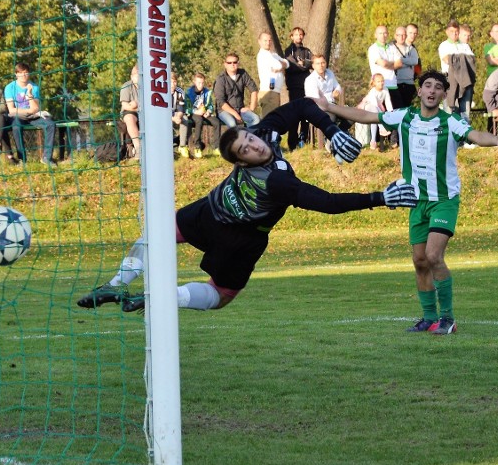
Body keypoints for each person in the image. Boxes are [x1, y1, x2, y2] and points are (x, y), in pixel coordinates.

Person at [76, 98, 417, 313]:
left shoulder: (265, 133)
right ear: (240, 163)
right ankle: (141, 291)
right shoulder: (276, 182)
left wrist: (330, 129)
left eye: (249, 139)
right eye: (245, 150)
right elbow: (327, 203)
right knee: (216, 292)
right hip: (232, 230)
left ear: (253, 132)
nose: (253, 146)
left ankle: (133, 290)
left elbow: (302, 105)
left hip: (217, 215)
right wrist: (379, 198)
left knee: (165, 240)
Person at [321, 71, 498, 335]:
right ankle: (428, 317)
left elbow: (475, 135)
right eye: (428, 86)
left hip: (443, 200)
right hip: (415, 200)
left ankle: (447, 318)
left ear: (444, 95)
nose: (432, 91)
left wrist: (496, 140)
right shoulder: (405, 117)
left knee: (434, 256)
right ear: (420, 92)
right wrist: (330, 107)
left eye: (438, 88)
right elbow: (367, 116)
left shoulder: (451, 121)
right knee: (420, 260)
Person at [5, 62, 56, 166]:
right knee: (16, 126)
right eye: (21, 73)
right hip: (18, 117)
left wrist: (29, 94)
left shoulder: (34, 87)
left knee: (50, 124)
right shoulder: (9, 87)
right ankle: (22, 160)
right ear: (16, 74)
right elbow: (12, 110)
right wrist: (29, 111)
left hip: (33, 117)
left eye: (26, 73)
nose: (24, 75)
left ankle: (47, 158)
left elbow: (36, 108)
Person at [438, 19, 476, 118]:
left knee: (465, 111)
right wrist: (462, 58)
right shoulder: (444, 45)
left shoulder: (465, 45)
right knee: (449, 110)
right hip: (450, 80)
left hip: (465, 79)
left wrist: (455, 58)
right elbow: (447, 60)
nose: (454, 34)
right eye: (451, 31)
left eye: (456, 31)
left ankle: (464, 132)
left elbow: (471, 60)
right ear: (447, 32)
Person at [284, 27, 314, 149]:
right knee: (294, 114)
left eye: (301, 34)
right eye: (296, 35)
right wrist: (303, 66)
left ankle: (304, 140)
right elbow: (291, 66)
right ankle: (292, 142)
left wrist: (305, 65)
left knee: (305, 115)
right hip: (294, 87)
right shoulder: (288, 50)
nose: (299, 37)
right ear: (291, 36)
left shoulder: (307, 51)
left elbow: (312, 62)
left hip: (306, 87)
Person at [214, 52, 260, 128]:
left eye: (235, 62)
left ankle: (249, 138)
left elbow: (254, 90)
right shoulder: (220, 79)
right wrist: (235, 114)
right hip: (224, 111)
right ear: (225, 64)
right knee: (232, 124)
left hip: (240, 109)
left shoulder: (243, 74)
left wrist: (251, 107)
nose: (232, 64)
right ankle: (232, 140)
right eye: (229, 63)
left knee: (255, 119)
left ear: (238, 63)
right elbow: (221, 102)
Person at [367, 25, 403, 113]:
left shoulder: (392, 47)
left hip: (393, 85)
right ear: (375, 35)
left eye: (385, 33)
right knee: (382, 115)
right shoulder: (373, 49)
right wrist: (392, 63)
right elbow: (382, 63)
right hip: (380, 87)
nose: (383, 35)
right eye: (380, 33)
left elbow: (399, 63)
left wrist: (388, 63)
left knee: (398, 113)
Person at [255, 31, 289, 119]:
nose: (268, 43)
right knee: (269, 119)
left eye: (269, 40)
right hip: (269, 91)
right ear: (259, 41)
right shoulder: (263, 54)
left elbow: (287, 63)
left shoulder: (273, 55)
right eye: (265, 40)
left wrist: (281, 66)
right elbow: (279, 65)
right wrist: (282, 66)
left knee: (274, 118)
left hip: (275, 91)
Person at [185, 72, 219, 158]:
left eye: (202, 83)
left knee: (216, 122)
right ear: (194, 82)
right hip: (193, 114)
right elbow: (186, 107)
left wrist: (209, 111)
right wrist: (195, 111)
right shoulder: (188, 92)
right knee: (199, 120)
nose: (201, 85)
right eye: (199, 83)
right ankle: (197, 146)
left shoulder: (207, 92)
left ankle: (216, 147)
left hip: (204, 113)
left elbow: (210, 105)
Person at [356, 73, 393, 151]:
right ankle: (382, 128)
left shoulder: (385, 89)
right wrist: (382, 117)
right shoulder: (373, 91)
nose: (381, 83)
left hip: (377, 108)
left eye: (382, 81)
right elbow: (375, 105)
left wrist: (390, 112)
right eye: (378, 81)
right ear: (374, 83)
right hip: (368, 106)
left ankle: (373, 142)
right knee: (375, 112)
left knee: (374, 121)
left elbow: (388, 102)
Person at [393, 25, 419, 108]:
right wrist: (408, 62)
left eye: (415, 33)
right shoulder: (392, 47)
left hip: (409, 83)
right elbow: (394, 63)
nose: (412, 35)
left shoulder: (412, 49)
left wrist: (402, 60)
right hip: (396, 82)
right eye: (410, 33)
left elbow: (415, 61)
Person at [119, 65, 141, 159]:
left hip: (145, 113)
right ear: (132, 76)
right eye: (136, 75)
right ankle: (138, 147)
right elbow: (125, 106)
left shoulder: (148, 87)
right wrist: (137, 108)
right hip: (130, 112)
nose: (138, 78)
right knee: (129, 118)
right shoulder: (126, 86)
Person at [170, 72, 190, 155]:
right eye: (170, 82)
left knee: (184, 119)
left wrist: (178, 117)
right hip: (164, 115)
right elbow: (161, 111)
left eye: (174, 82)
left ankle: (182, 146)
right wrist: (173, 118)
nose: (173, 84)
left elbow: (181, 108)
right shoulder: (162, 92)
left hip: (175, 113)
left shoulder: (180, 91)